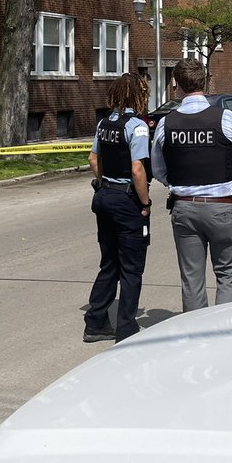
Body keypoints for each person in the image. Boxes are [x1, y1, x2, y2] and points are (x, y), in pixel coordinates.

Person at [151, 58, 232, 312]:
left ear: (176, 85)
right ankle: (222, 332)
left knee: (192, 280)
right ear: (206, 83)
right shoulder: (226, 118)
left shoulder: (167, 123)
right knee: (228, 274)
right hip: (222, 207)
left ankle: (195, 337)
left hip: (184, 208)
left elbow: (158, 169)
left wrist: (181, 179)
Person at [84, 72, 153, 343]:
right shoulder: (137, 126)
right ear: (138, 96)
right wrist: (144, 203)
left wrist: (104, 184)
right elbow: (138, 170)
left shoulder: (105, 123)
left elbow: (93, 159)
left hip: (105, 197)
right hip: (126, 201)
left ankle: (95, 322)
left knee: (109, 262)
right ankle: (126, 327)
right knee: (132, 267)